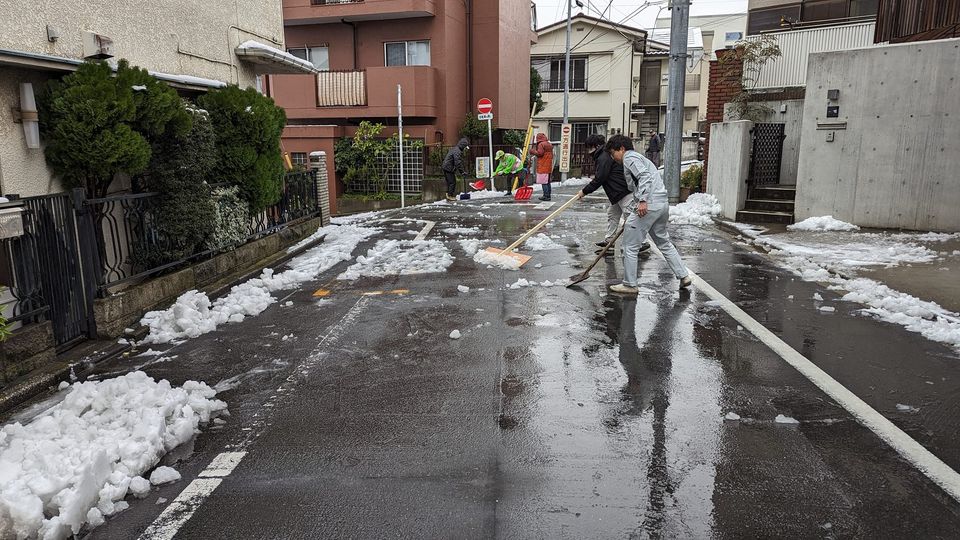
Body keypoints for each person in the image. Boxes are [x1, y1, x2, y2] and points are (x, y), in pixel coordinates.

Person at [604, 134, 691, 294]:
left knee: (629, 245)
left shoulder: (630, 158)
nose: (612, 157)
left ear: (621, 149)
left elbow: (644, 177)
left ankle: (630, 284)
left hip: (649, 204)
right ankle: (683, 275)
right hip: (661, 204)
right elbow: (635, 186)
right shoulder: (640, 158)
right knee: (663, 242)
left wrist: (643, 200)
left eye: (612, 153)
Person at [577, 134, 649, 256]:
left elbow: (600, 178)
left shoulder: (603, 156)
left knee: (631, 218)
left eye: (590, 147)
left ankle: (643, 242)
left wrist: (584, 191)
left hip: (624, 191)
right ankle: (609, 242)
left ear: (596, 146)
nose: (589, 151)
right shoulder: (603, 155)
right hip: (617, 193)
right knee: (613, 215)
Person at [529, 132, 554, 201]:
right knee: (547, 182)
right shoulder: (549, 144)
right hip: (548, 165)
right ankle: (548, 195)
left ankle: (546, 196)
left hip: (543, 165)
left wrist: (532, 151)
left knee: (543, 182)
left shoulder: (541, 144)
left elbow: (540, 153)